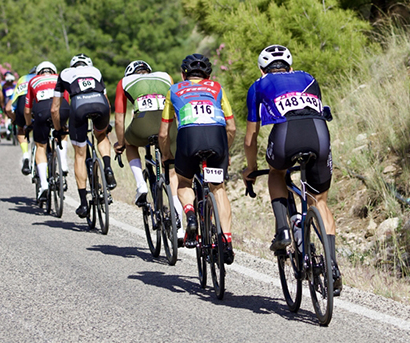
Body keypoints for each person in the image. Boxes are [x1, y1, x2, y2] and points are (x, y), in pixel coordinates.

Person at [242, 44, 342, 295]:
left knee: (276, 172)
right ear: (291, 66)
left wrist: (251, 169)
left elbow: (250, 137)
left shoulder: (258, 85)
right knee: (319, 201)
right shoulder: (308, 77)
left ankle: (283, 229)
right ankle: (332, 266)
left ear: (262, 69)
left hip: (287, 135)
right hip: (319, 134)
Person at [159, 54, 236, 265]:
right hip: (216, 139)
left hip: (189, 139)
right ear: (208, 75)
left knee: (184, 182)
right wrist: (225, 152)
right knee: (217, 187)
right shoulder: (216, 88)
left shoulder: (174, 90)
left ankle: (190, 214)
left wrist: (167, 155)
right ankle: (227, 241)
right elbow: (231, 127)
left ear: (183, 75)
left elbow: (164, 133)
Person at [113, 60, 184, 240]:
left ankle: (140, 185)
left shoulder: (124, 82)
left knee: (130, 144)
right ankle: (181, 227)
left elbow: (119, 120)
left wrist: (120, 143)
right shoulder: (165, 76)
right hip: (167, 126)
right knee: (172, 173)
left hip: (142, 124)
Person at [51, 54, 116, 218]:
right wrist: (105, 125)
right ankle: (107, 167)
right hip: (100, 105)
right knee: (101, 136)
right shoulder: (96, 71)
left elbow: (54, 109)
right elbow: (107, 102)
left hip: (78, 106)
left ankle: (83, 203)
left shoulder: (65, 73)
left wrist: (59, 129)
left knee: (80, 155)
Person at [24, 61, 71, 201]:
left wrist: (28, 125)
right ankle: (63, 163)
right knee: (62, 133)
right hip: (62, 108)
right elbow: (66, 99)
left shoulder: (33, 80)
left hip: (42, 110)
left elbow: (27, 109)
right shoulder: (60, 77)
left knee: (40, 146)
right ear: (53, 71)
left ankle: (44, 184)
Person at [6, 67, 37, 174]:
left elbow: (8, 108)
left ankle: (25, 155)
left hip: (22, 104)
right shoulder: (43, 78)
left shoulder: (23, 79)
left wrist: (15, 119)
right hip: (39, 103)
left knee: (21, 130)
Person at [2, 72, 16, 140]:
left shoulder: (3, 86)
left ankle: (8, 131)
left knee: (6, 116)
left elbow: (2, 96)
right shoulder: (15, 85)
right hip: (14, 101)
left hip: (7, 101)